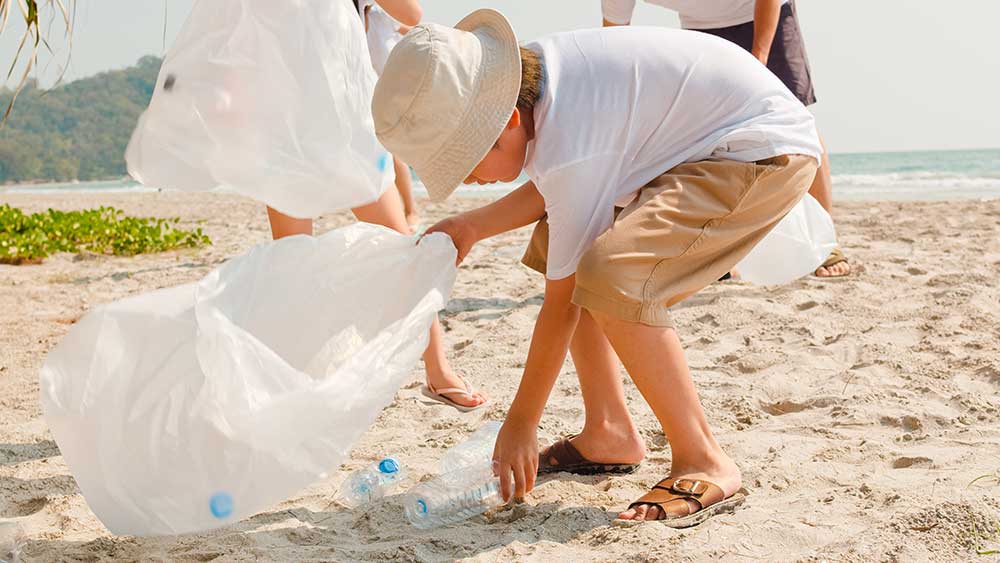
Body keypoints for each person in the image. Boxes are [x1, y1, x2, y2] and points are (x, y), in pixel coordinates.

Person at [372, 10, 821, 524]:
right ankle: (608, 429)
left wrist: (522, 421)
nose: (468, 179)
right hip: (692, 149)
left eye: (465, 161)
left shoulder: (569, 130)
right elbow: (558, 183)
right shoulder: (534, 84)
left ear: (507, 121)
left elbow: (561, 294)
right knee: (562, 244)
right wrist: (471, 226)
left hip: (759, 151)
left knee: (614, 272)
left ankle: (705, 458)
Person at [266, 0, 485, 412]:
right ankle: (435, 373)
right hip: (300, 122)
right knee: (298, 261)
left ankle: (437, 372)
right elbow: (411, 13)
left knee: (394, 250)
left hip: (323, 121)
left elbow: (409, 15)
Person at [602, 0, 850, 277]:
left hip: (763, 13)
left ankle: (827, 246)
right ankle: (720, 257)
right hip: (701, 31)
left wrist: (758, 59)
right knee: (710, 132)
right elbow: (614, 45)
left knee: (794, 117)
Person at [356, 0, 422, 229]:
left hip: (386, 91)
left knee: (392, 153)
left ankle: (411, 211)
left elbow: (413, 23)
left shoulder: (381, 18)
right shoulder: (347, 16)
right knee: (379, 156)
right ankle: (404, 213)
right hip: (363, 92)